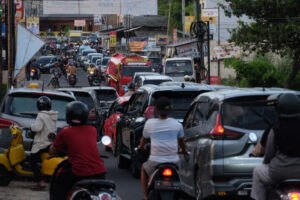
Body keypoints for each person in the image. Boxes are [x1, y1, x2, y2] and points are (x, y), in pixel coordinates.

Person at [49, 101, 107, 200]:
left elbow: (52, 151)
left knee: (59, 181)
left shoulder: (65, 132)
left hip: (80, 173)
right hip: (100, 172)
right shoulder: (92, 129)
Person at [251, 93, 300, 200]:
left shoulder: (275, 129)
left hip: (278, 173)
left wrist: (265, 162)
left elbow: (269, 154)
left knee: (257, 172)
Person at [138, 97, 187, 200]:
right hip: (174, 162)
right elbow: (181, 142)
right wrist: (183, 150)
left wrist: (140, 147)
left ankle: (145, 196)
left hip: (154, 162)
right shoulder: (177, 124)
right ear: (170, 110)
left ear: (156, 109)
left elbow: (144, 140)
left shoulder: (149, 124)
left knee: (143, 168)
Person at [29, 96, 58, 190]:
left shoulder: (41, 115)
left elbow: (37, 128)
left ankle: (41, 182)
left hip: (42, 143)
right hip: (50, 142)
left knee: (32, 160)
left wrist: (31, 126)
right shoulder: (53, 115)